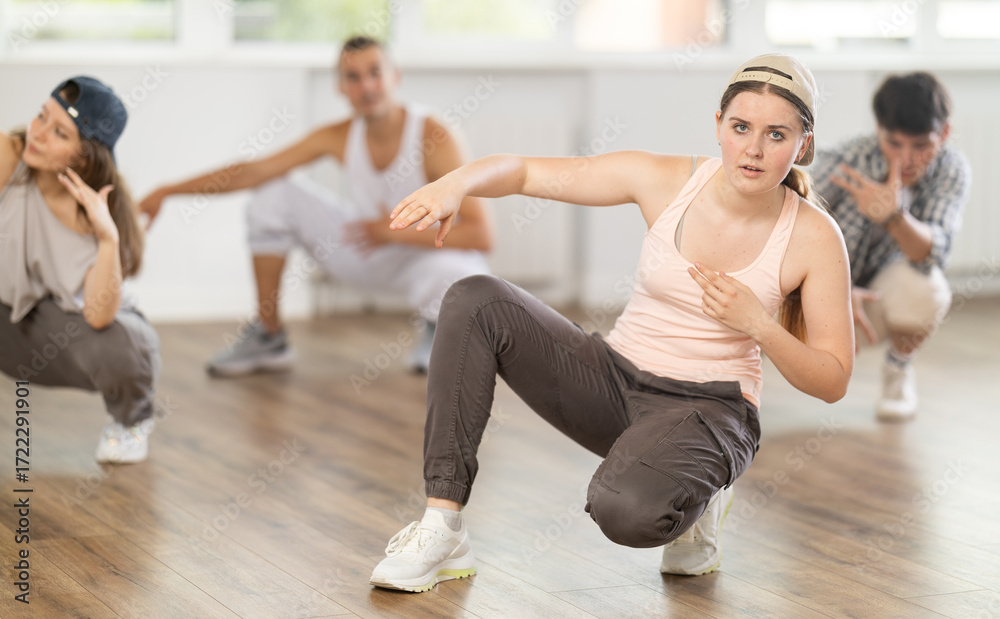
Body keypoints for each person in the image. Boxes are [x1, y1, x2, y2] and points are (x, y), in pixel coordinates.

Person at [367, 54, 854, 592]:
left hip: (712, 410)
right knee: (473, 298)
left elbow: (832, 380)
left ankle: (701, 492)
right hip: (614, 381)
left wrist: (759, 326)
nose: (754, 149)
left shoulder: (814, 236)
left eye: (776, 134)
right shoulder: (668, 180)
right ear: (719, 125)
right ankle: (442, 526)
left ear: (803, 144)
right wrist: (457, 183)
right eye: (741, 127)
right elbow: (528, 171)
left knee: (623, 510)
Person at [139, 36, 493, 376]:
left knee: (461, 271)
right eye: (353, 77)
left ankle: (441, 332)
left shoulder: (436, 135)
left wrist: (391, 231)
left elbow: (481, 235)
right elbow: (252, 171)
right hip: (368, 246)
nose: (366, 86)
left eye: (375, 72)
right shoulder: (337, 135)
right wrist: (167, 191)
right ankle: (269, 335)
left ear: (394, 77)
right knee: (272, 193)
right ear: (341, 87)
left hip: (426, 255)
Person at [0, 76, 160, 464]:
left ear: (83, 156)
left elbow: (98, 314)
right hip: (5, 318)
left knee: (122, 341)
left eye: (59, 133)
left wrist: (108, 239)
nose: (37, 134)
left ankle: (131, 424)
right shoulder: (9, 154)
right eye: (42, 116)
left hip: (54, 334)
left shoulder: (98, 214)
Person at [811, 72, 969, 422]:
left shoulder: (951, 169)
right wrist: (837, 287)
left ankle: (898, 371)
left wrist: (894, 216)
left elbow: (932, 255)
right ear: (879, 129)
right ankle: (739, 386)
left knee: (928, 289)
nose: (907, 158)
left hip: (877, 304)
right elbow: (787, 229)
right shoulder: (847, 159)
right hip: (819, 299)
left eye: (921, 145)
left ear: (943, 134)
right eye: (894, 143)